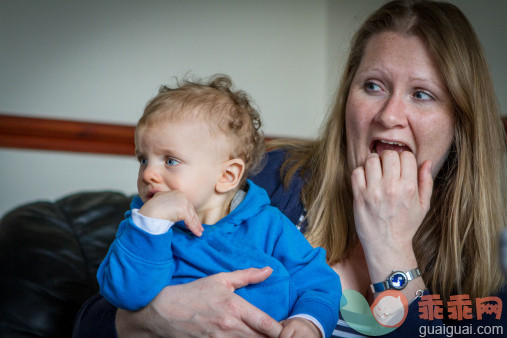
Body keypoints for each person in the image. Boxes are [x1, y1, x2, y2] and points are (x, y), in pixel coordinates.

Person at [74, 0, 506, 337]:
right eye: (373, 85)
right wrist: (155, 318)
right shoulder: (271, 179)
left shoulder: (487, 271)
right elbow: (88, 323)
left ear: (461, 124)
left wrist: (392, 251)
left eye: (423, 94)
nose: (390, 115)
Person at [94, 75, 341, 338]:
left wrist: (308, 323)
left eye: (170, 161)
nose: (148, 174)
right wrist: (151, 224)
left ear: (227, 176)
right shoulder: (143, 229)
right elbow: (127, 295)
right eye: (143, 159)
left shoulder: (269, 225)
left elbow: (318, 281)